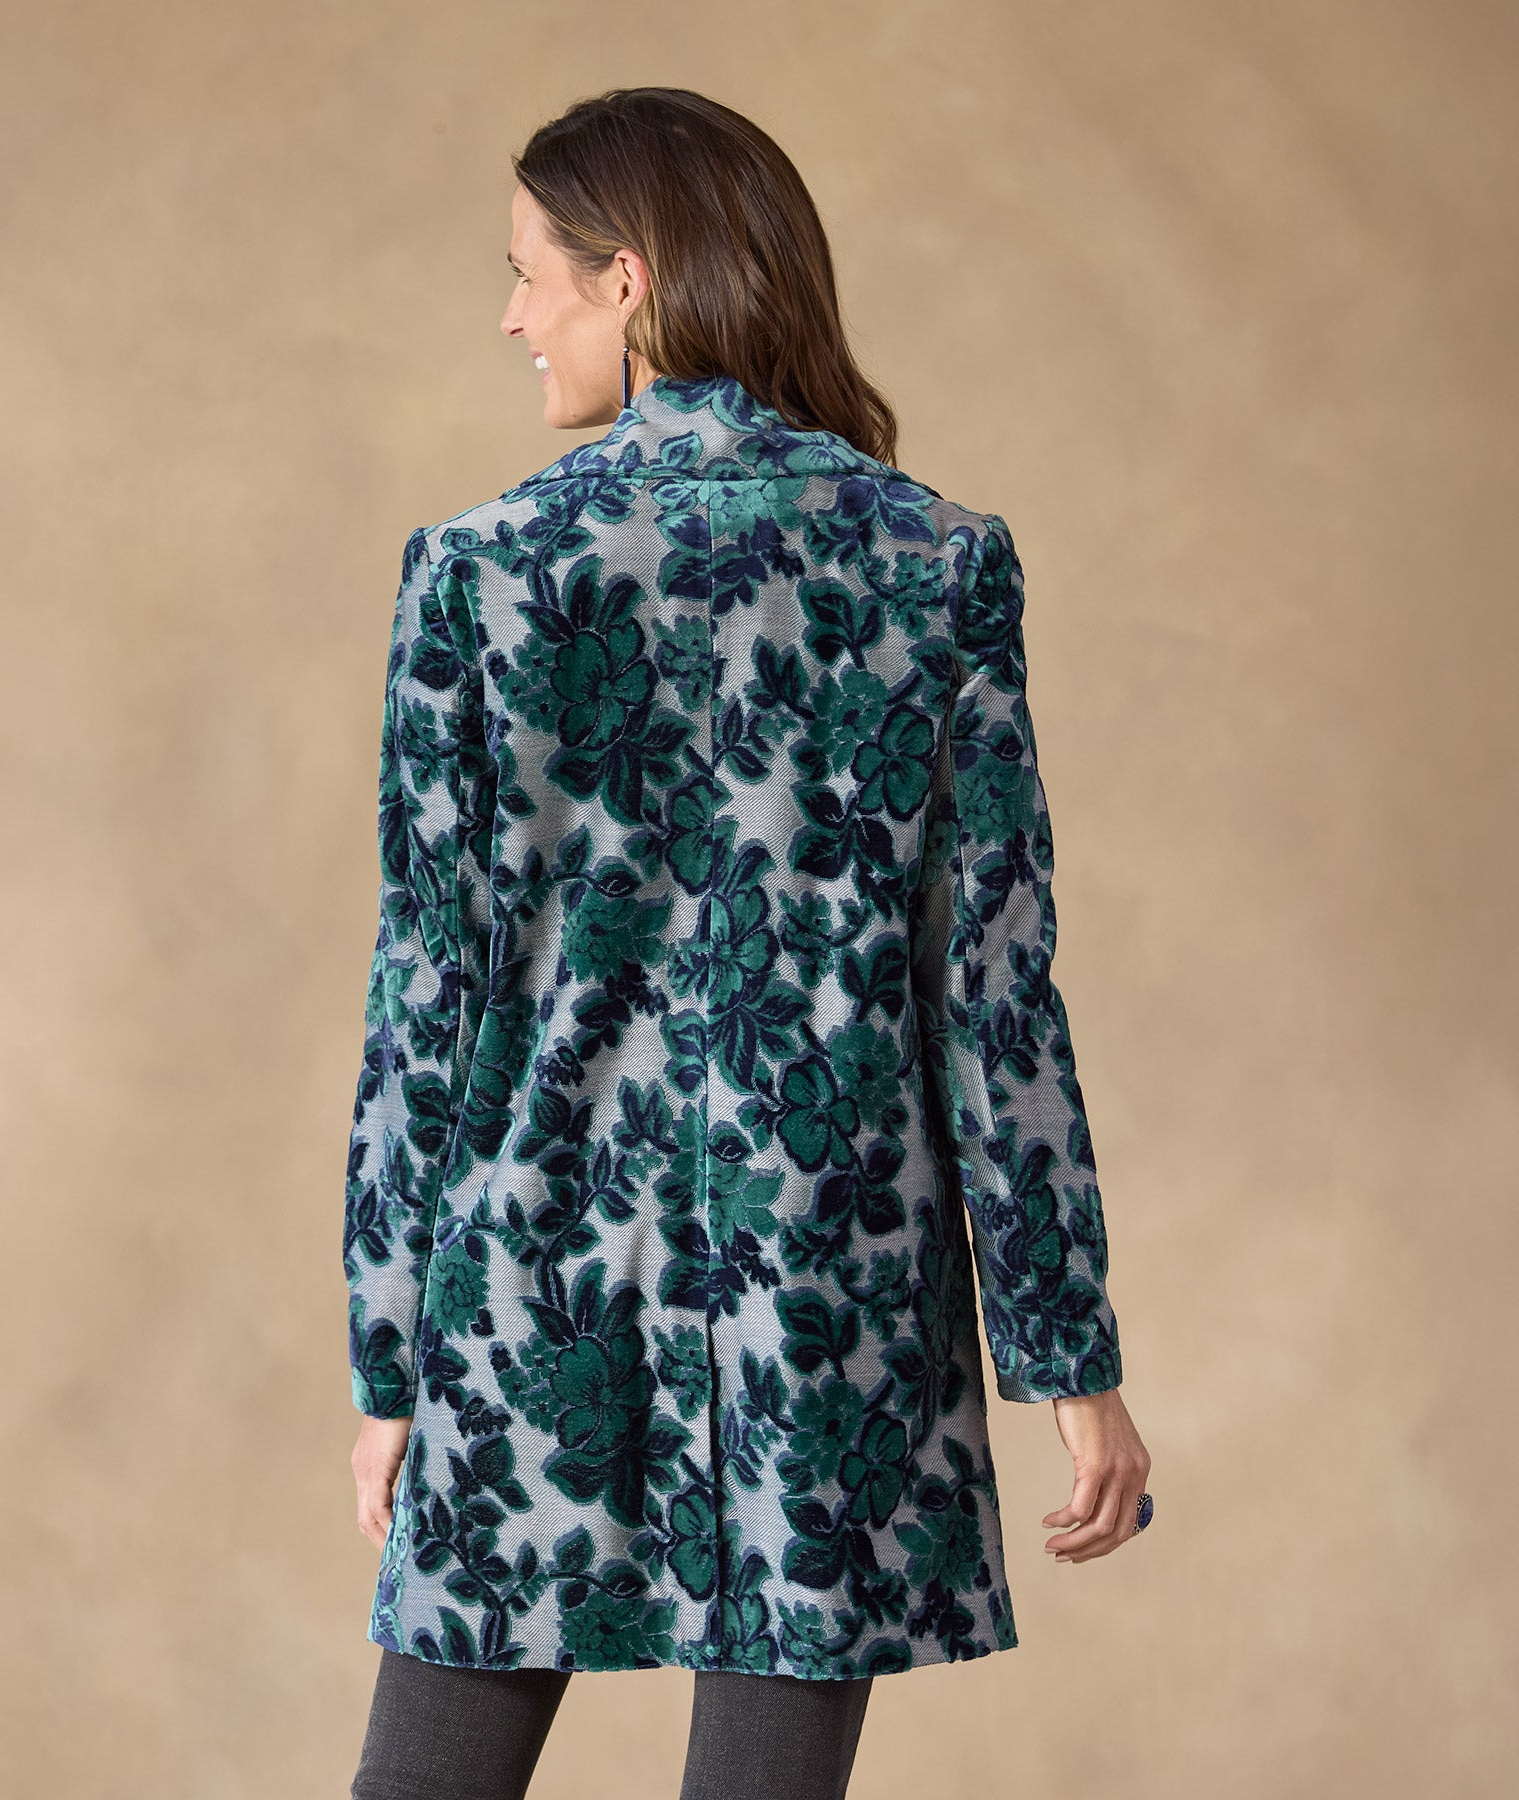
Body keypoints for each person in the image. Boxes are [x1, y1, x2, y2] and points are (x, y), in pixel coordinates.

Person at [343, 86, 1153, 1800]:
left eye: (527, 274)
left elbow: (430, 992)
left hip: (533, 1275)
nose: (510, 317)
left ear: (627, 280)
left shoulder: (479, 573)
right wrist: (1066, 1352)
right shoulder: (937, 563)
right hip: (830, 1282)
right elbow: (993, 991)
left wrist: (392, 1356)